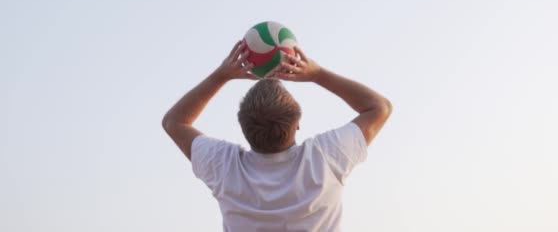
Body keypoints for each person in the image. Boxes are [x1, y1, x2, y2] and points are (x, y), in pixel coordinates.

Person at [162, 41, 392, 232]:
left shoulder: (225, 166)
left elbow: (174, 122)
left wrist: (221, 75)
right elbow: (379, 107)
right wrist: (318, 74)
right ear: (298, 125)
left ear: (243, 128)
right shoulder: (324, 158)